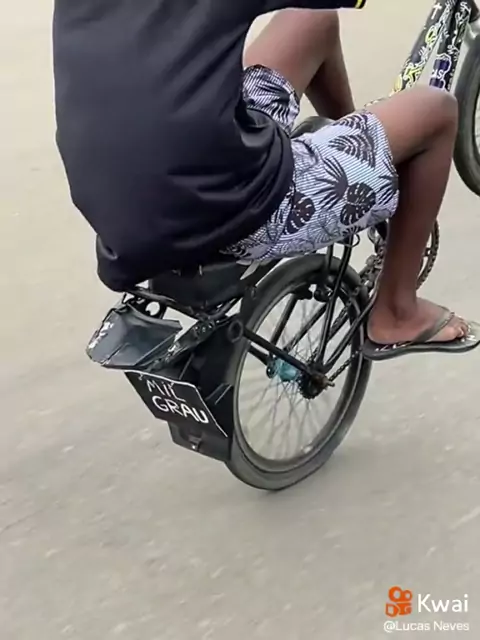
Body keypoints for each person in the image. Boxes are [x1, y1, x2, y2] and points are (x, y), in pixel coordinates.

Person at [53, 0, 480, 362]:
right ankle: (397, 312)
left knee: (311, 18)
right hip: (231, 206)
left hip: (121, 218)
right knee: (436, 111)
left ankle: (363, 159)